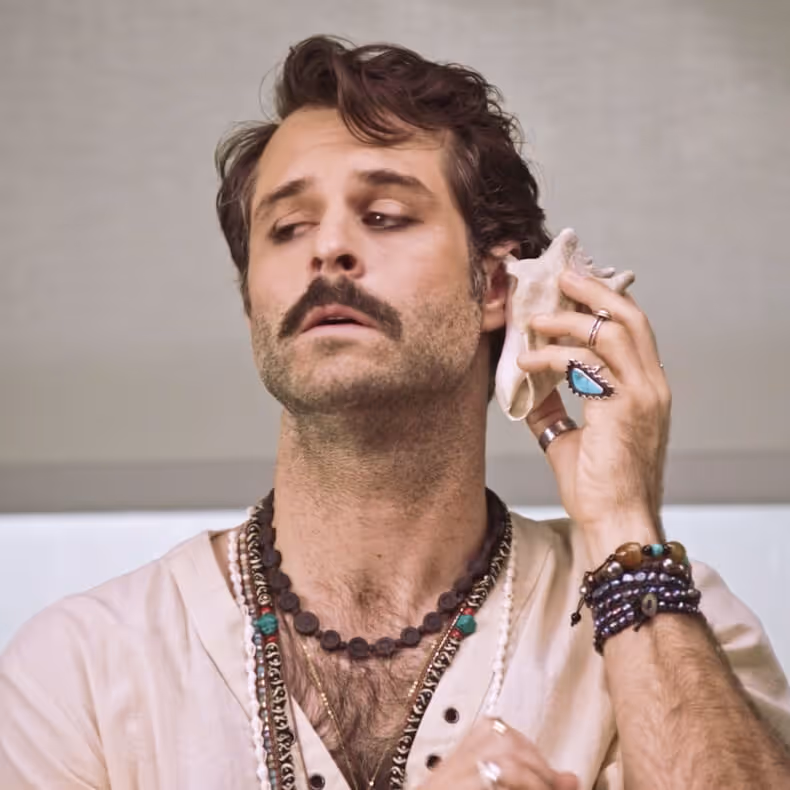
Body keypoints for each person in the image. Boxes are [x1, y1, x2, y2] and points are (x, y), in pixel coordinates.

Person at [1, 34, 789, 790]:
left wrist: (621, 522)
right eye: (287, 228)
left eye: (382, 216)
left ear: (496, 289)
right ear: (253, 308)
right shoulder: (80, 669)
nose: (328, 249)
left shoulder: (668, 622)